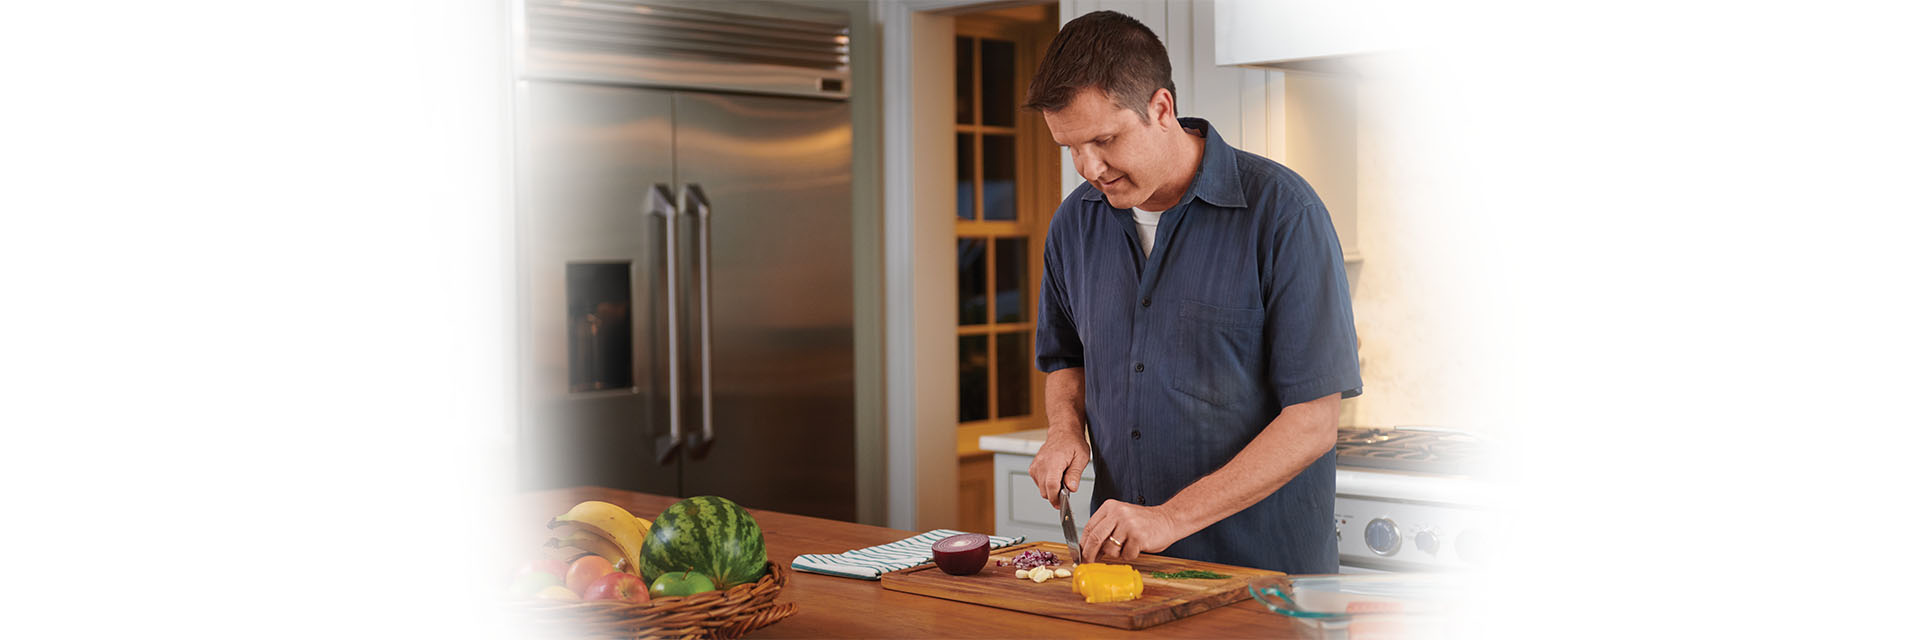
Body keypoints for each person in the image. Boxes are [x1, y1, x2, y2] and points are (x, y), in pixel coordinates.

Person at [1024, 10, 1362, 575]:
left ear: (1161, 109)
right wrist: (1064, 429)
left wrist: (1169, 519)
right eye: (1071, 148)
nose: (1090, 168)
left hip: (1264, 579)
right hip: (1130, 574)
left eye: (1104, 140)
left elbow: (1313, 421)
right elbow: (1066, 358)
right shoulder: (1073, 224)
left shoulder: (1284, 213)